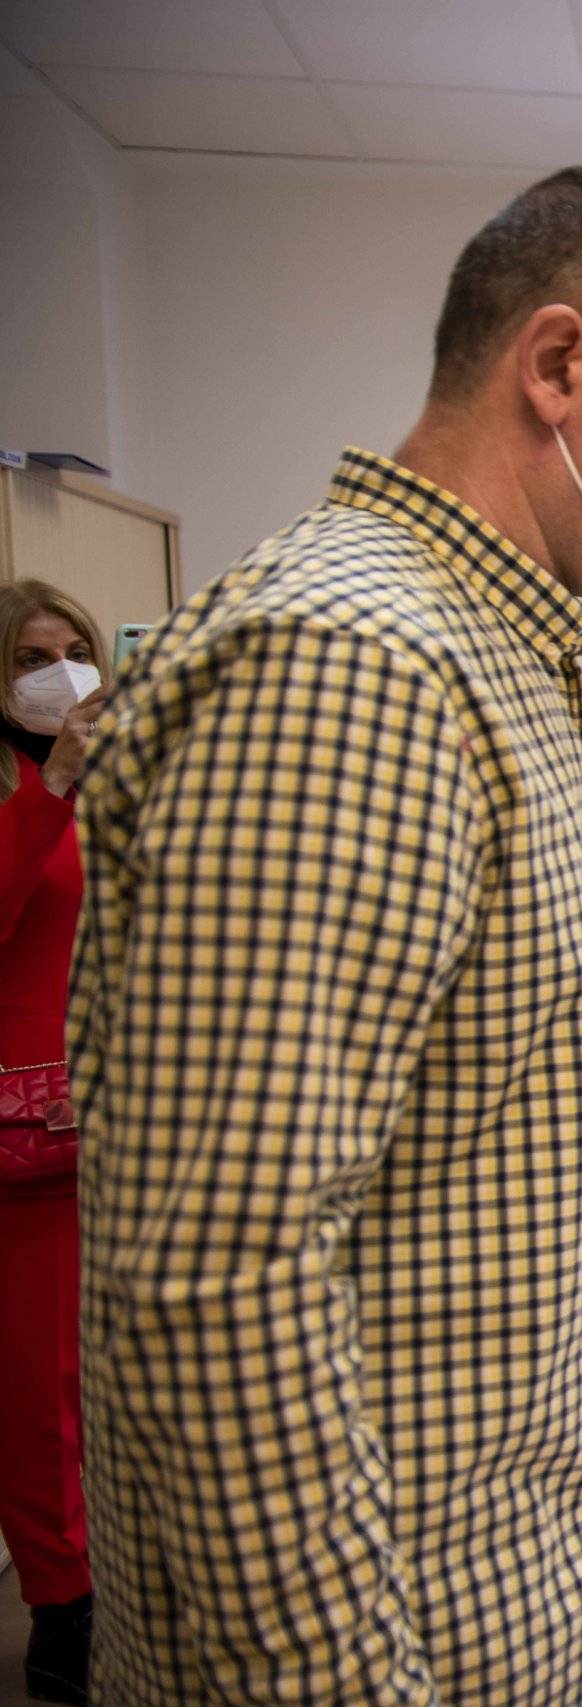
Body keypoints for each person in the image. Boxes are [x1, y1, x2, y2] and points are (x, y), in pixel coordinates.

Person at [68, 166, 582, 1703]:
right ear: (558, 363)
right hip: (443, 1649)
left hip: (575, 1593)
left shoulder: (500, 649)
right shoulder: (353, 661)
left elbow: (520, 1133)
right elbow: (219, 1277)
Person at [1, 583, 109, 1705]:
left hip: (108, 1121)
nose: (63, 673)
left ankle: (109, 1587)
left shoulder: (97, 780)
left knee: (100, 1386)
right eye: (36, 656)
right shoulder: (29, 793)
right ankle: (58, 1613)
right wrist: (55, 787)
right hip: (16, 1143)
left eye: (77, 650)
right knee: (36, 1399)